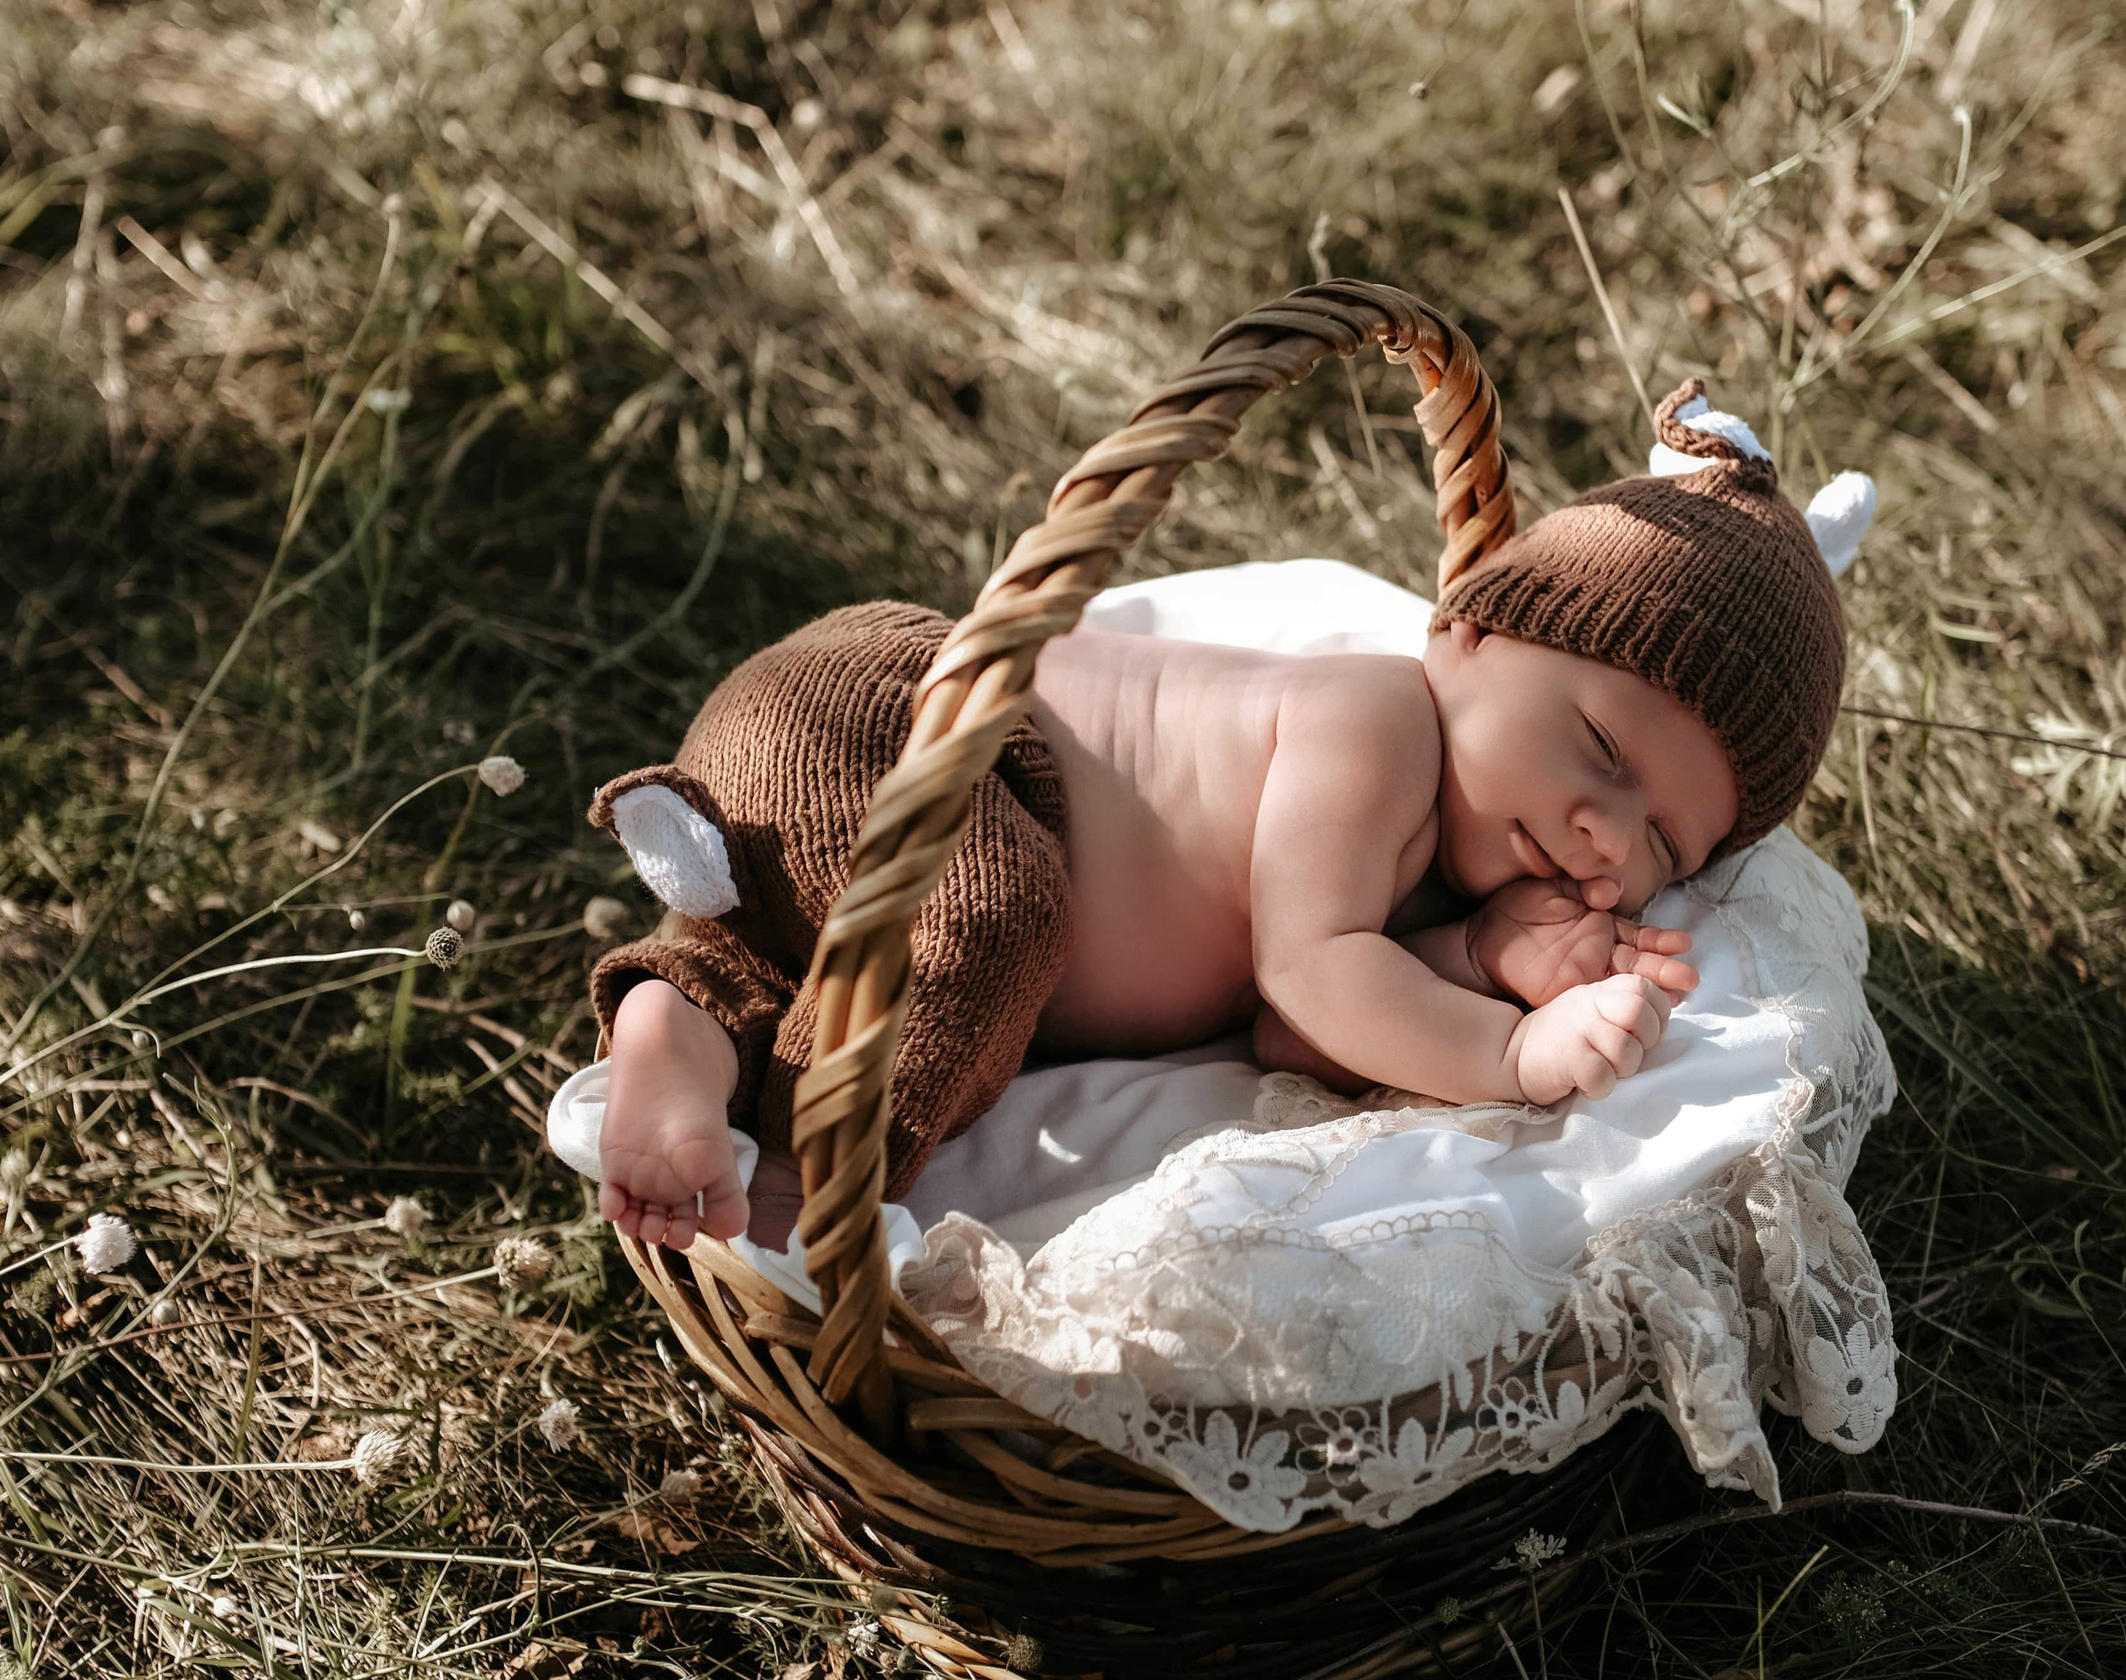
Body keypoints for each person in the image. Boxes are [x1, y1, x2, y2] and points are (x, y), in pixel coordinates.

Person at [584, 379, 1869, 1251]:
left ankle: (683, 1022)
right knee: (984, 921)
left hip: (840, 839)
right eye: (1599, 749)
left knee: (808, 953)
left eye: (1666, 845)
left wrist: (1480, 954)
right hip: (897, 724)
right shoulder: (1377, 722)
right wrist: (1512, 1054)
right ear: (1468, 632)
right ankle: (806, 1189)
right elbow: (1313, 973)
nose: (1608, 835)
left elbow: (1288, 1037)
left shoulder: (1446, 853)